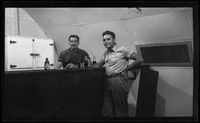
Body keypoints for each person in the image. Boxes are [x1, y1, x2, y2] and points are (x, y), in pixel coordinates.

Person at [92, 30, 143, 117]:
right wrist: (87, 64)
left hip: (118, 80)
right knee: (107, 110)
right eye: (104, 40)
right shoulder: (106, 53)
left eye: (108, 39)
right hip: (108, 81)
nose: (106, 42)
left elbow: (139, 59)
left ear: (114, 39)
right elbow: (98, 65)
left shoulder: (122, 50)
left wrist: (127, 69)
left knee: (120, 109)